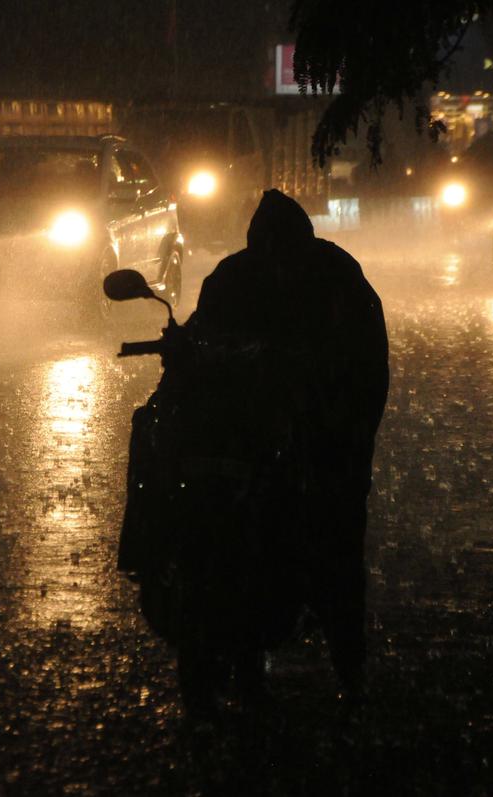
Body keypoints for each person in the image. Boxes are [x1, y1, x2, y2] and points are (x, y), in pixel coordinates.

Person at [119, 189, 388, 703]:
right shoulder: (231, 277)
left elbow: (364, 367)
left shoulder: (337, 281)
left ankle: (350, 667)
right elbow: (203, 335)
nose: (275, 264)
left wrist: (326, 403)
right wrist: (181, 350)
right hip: (242, 419)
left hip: (316, 416)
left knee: (336, 532)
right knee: (151, 430)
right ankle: (148, 549)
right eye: (265, 250)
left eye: (283, 252)